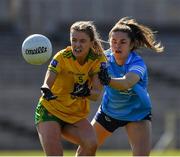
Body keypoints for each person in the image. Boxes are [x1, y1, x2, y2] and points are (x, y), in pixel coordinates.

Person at [91, 17, 164, 156]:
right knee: (85, 149)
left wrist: (107, 80)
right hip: (109, 111)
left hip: (137, 114)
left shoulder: (138, 63)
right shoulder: (102, 58)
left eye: (123, 42)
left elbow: (126, 83)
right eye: (114, 42)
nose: (117, 46)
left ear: (131, 45)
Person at [34, 21, 106, 156]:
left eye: (82, 41)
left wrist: (85, 91)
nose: (77, 45)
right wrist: (46, 88)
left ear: (91, 42)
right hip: (50, 111)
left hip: (75, 115)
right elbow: (47, 82)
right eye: (74, 40)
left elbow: (96, 95)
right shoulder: (62, 56)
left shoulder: (99, 60)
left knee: (91, 144)